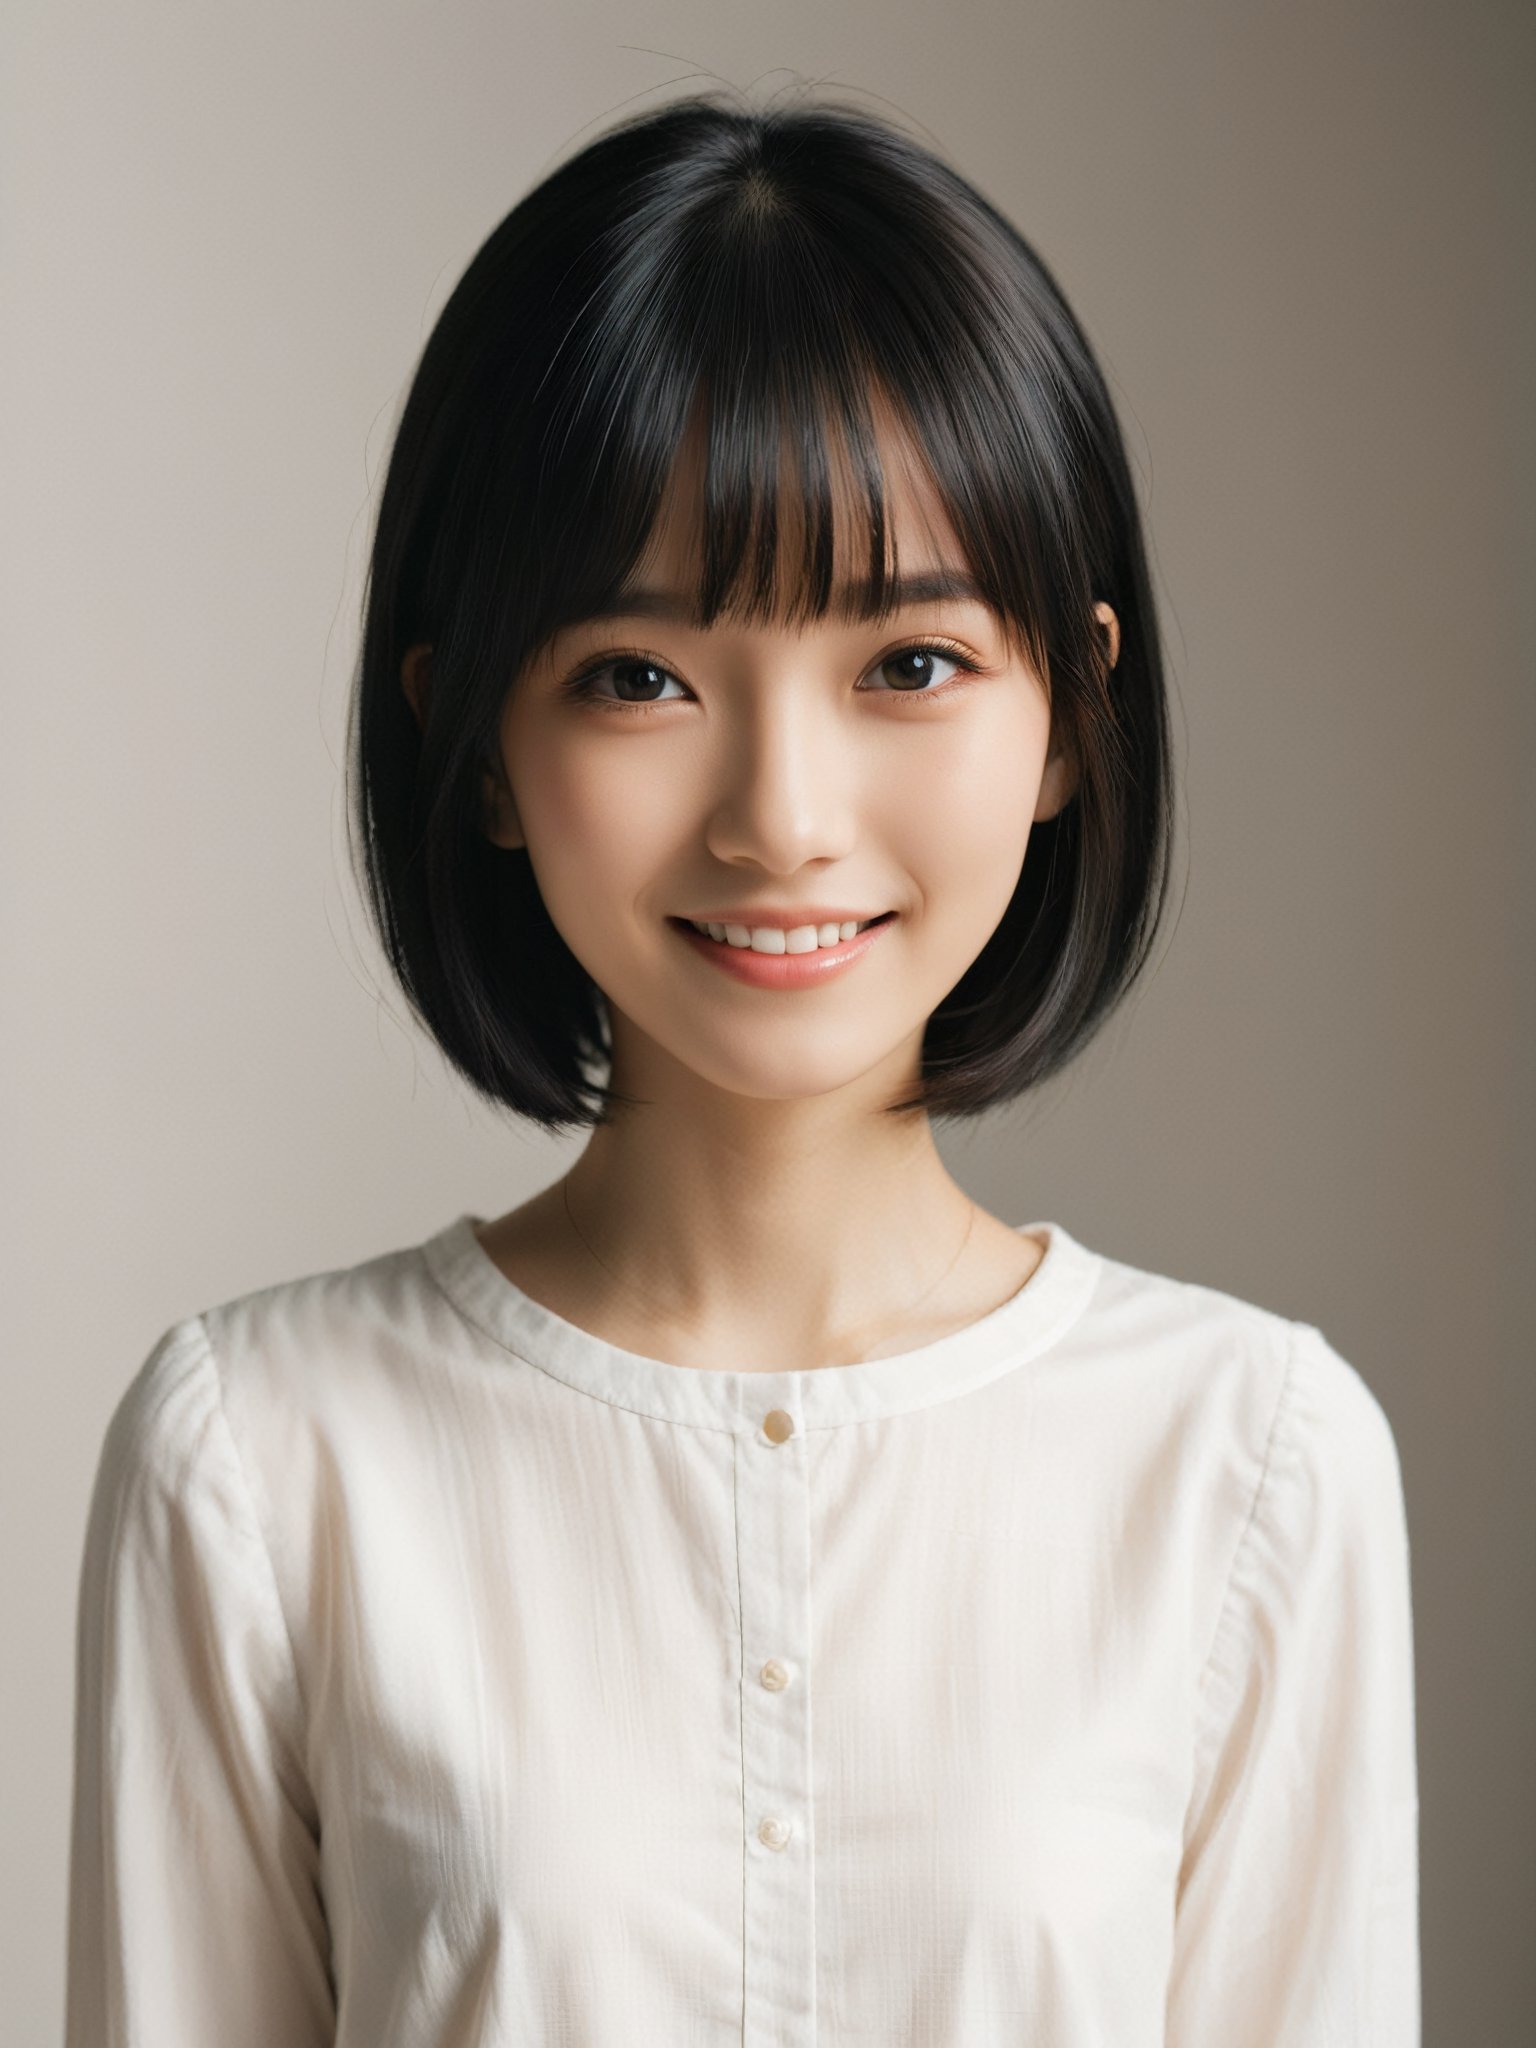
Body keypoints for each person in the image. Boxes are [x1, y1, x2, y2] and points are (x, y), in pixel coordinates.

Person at [64, 92, 1420, 2046]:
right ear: (477, 741)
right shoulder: (261, 1462)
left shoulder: (1256, 1465)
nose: (782, 817)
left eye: (912, 664)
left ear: (1069, 717)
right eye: (642, 674)